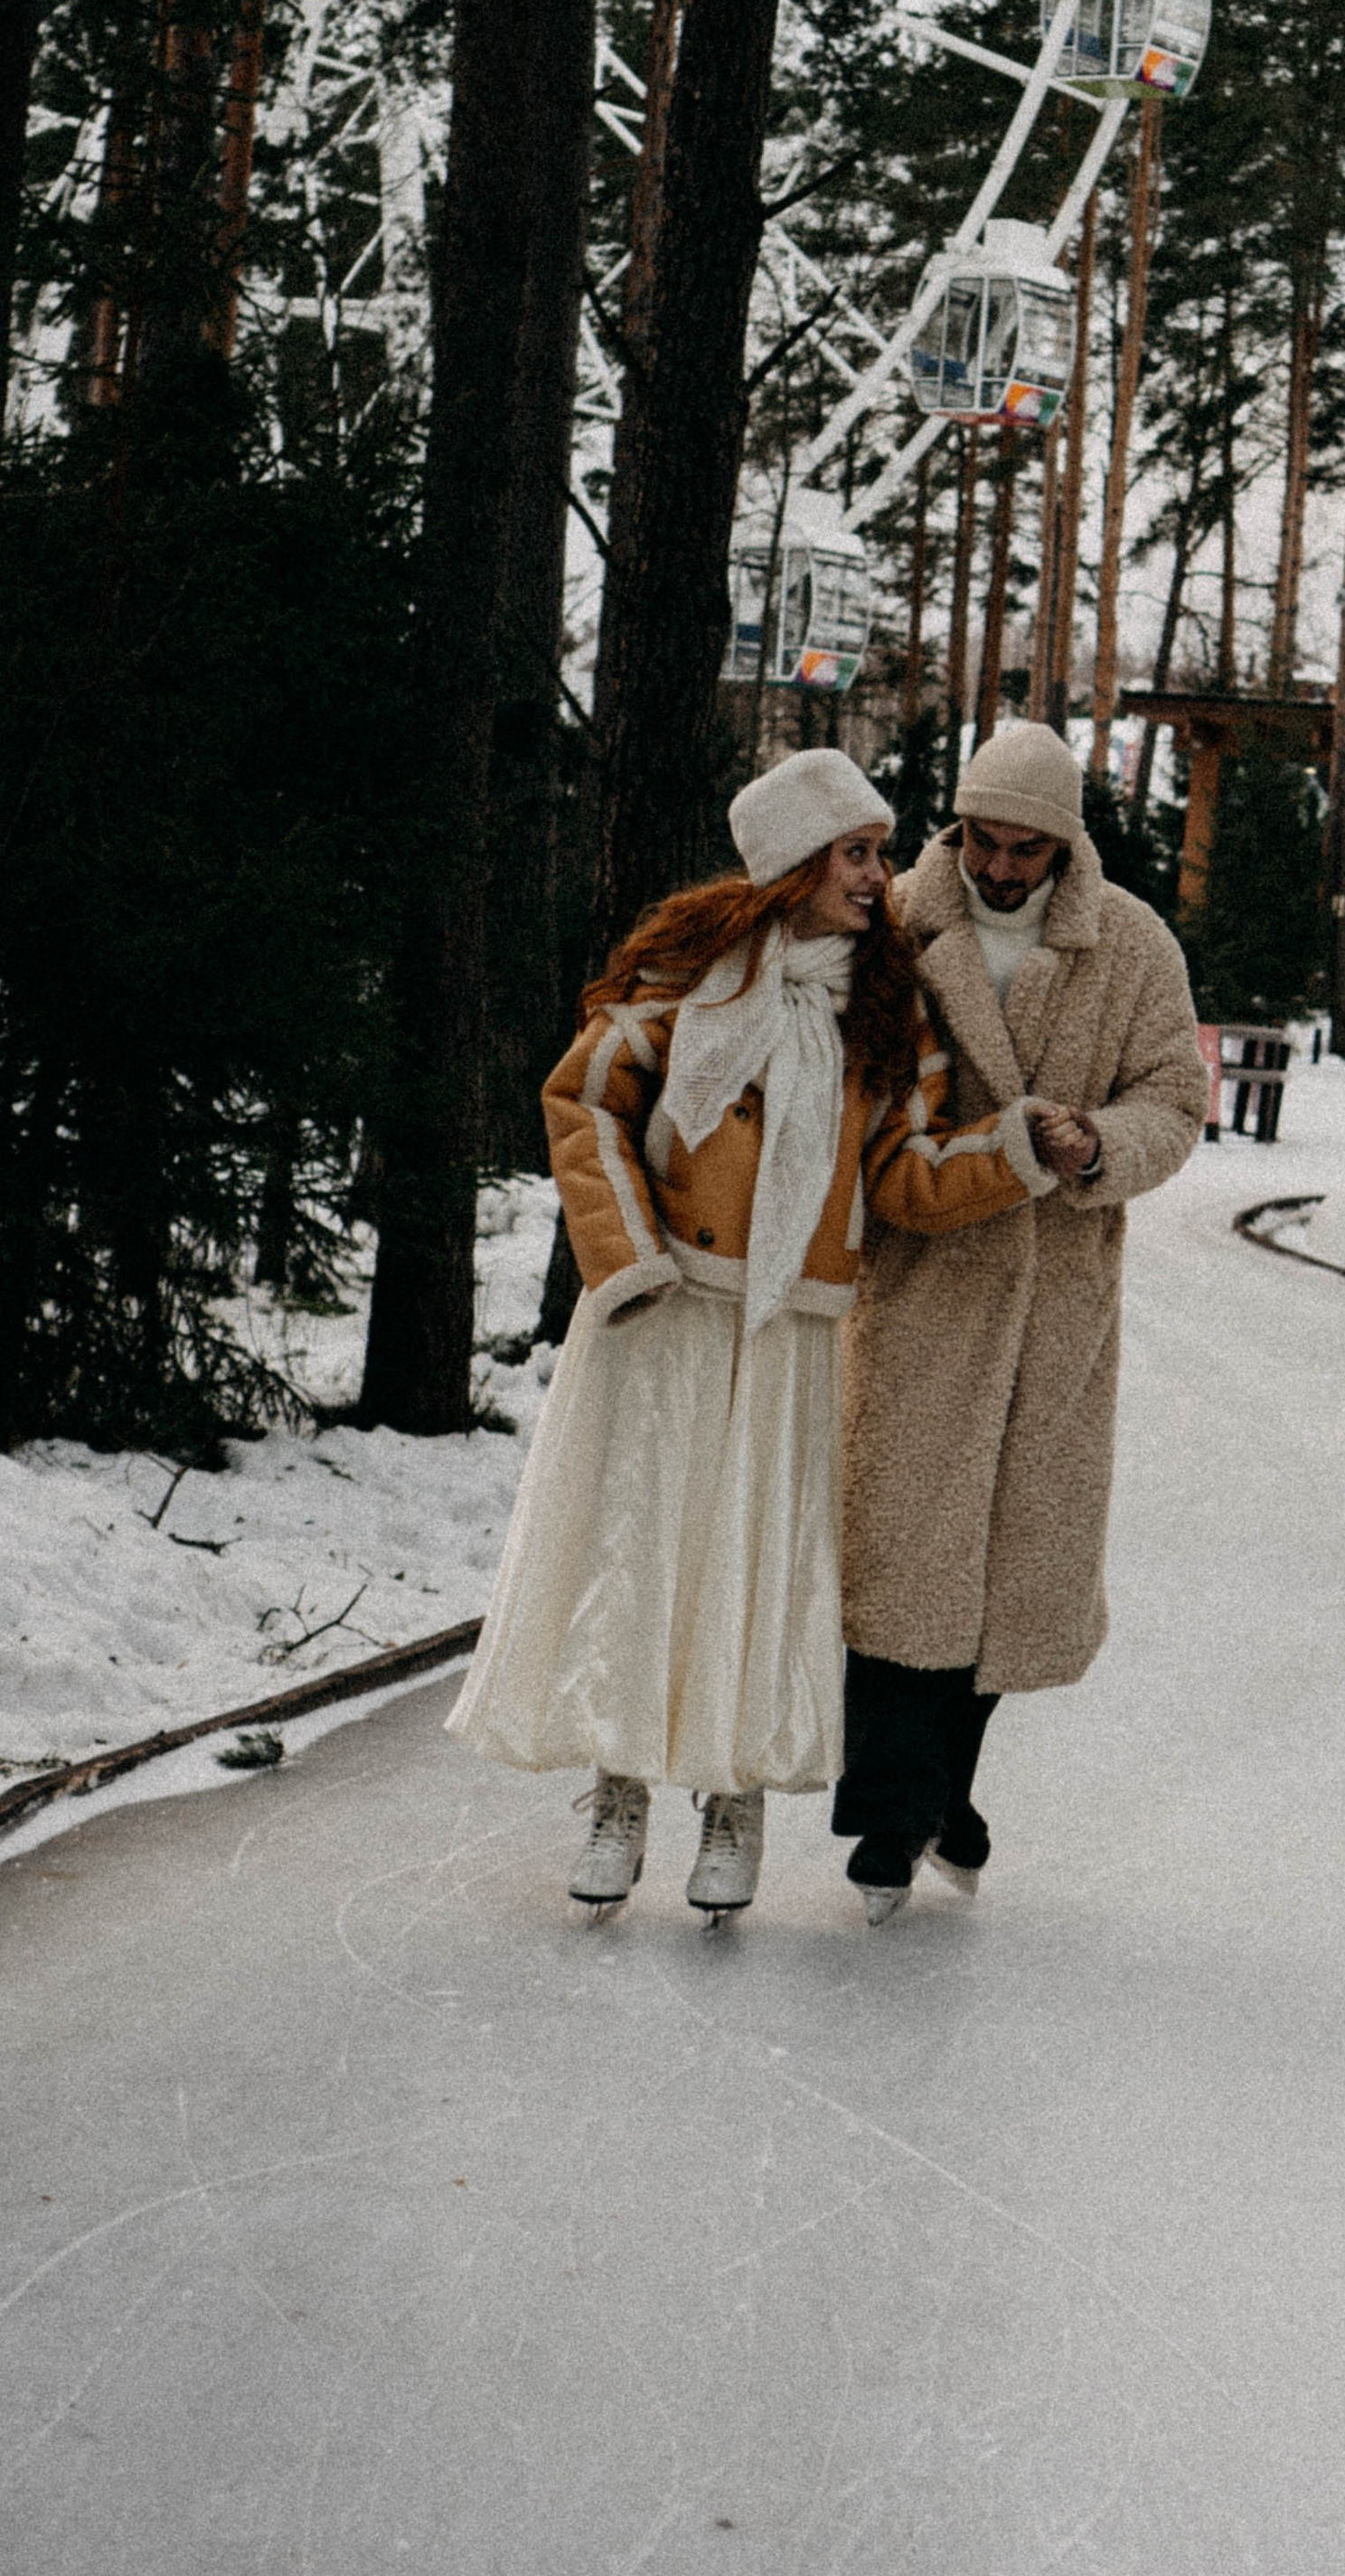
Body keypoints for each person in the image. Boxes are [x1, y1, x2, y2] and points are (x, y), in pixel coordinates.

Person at [446, 749, 1063, 1921]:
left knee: (758, 1566)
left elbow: (908, 1175)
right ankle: (619, 1792)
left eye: (880, 853)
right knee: (645, 1553)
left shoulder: (887, 1009)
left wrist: (1019, 1151)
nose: (881, 877)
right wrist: (624, 1258)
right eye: (859, 852)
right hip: (665, 1315)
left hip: (792, 1333)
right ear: (793, 862)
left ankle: (732, 1810)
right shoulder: (686, 982)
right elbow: (585, 1104)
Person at [837, 722, 1208, 1919]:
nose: (1000, 870)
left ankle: (947, 1789)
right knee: (903, 1557)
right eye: (983, 843)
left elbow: (1176, 1098)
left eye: (1026, 850)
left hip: (1054, 1297)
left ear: (1066, 841)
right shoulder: (896, 921)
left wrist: (1100, 1143)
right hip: (922, 1280)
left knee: (1006, 1566)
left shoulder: (1131, 944)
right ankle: (892, 1819)